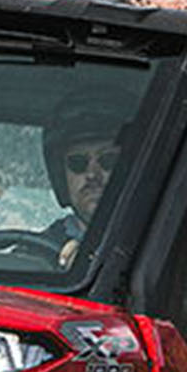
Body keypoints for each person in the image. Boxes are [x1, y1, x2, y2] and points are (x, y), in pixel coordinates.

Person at [39, 97, 128, 267]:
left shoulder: (158, 245)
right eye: (78, 163)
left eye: (108, 160)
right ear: (60, 177)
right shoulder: (35, 255)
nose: (92, 175)